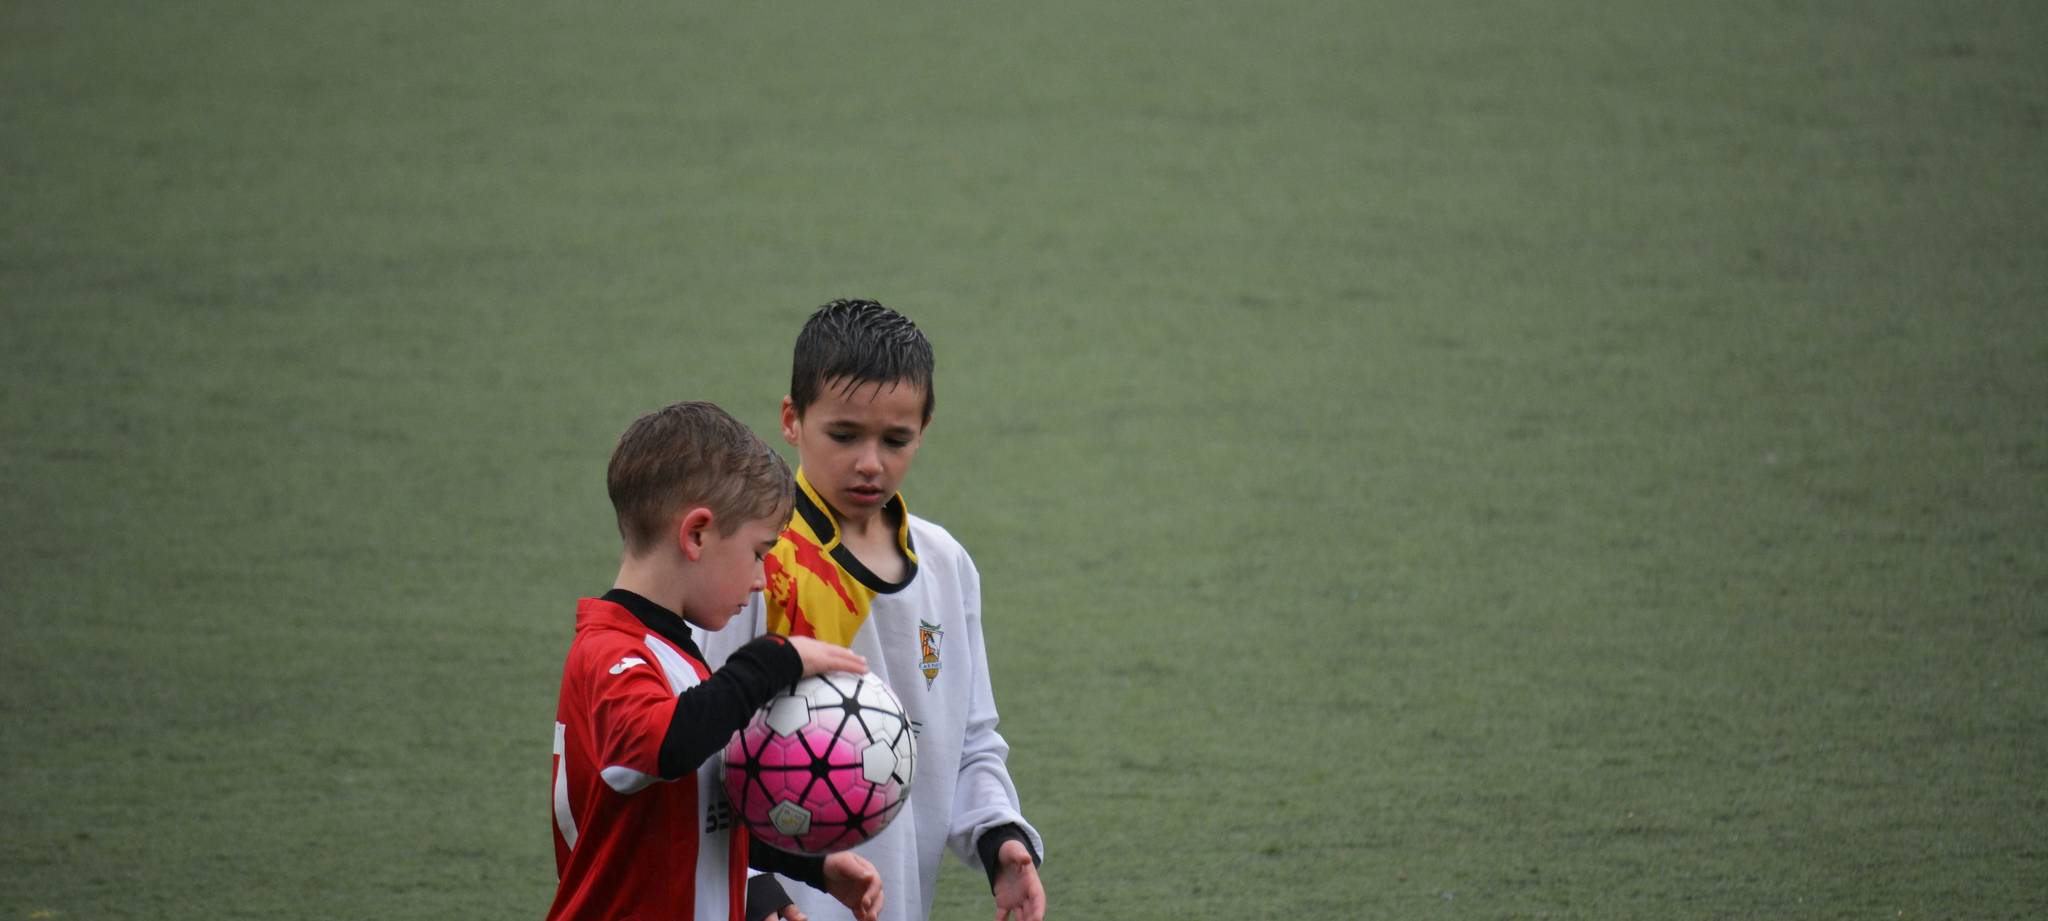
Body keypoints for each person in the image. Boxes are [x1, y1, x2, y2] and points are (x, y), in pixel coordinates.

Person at [698, 301, 1047, 921]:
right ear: (791, 420)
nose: (869, 463)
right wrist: (752, 886)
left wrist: (1000, 838)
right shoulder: (758, 565)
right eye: (844, 435)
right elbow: (698, 748)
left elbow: (970, 741)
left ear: (924, 428)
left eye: (895, 440)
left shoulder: (946, 563)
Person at [548, 400, 887, 921]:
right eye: (758, 553)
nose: (760, 580)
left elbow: (694, 816)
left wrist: (811, 866)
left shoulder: (677, 656)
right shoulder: (609, 653)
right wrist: (772, 661)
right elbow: (665, 744)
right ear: (697, 535)